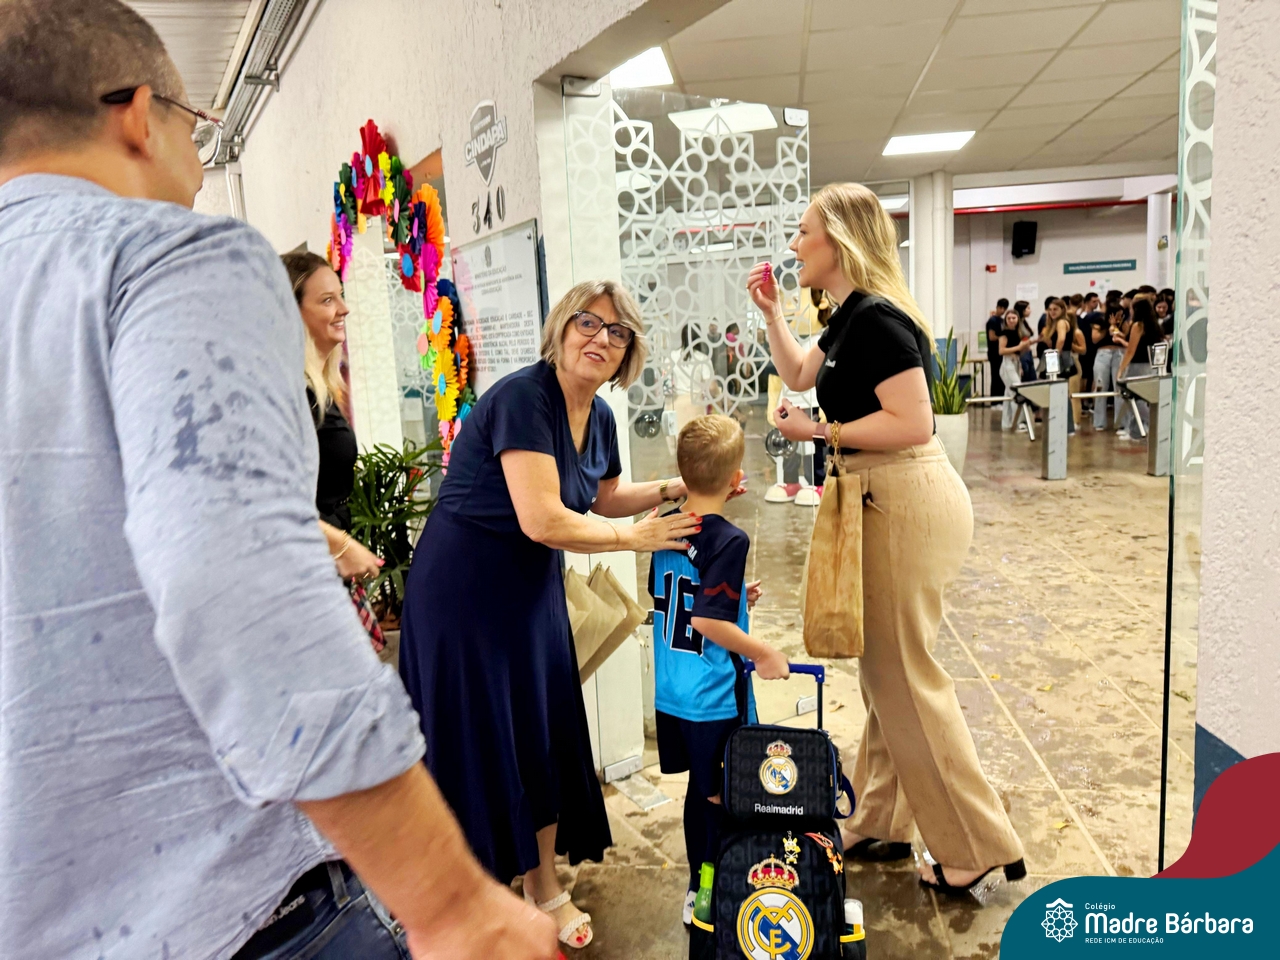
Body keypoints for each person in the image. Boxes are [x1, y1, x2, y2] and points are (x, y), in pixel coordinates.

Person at [0, 3, 559, 959]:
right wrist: (449, 903)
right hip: (229, 909)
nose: (198, 161)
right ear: (136, 114)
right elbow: (233, 584)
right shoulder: (162, 255)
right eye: (193, 123)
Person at [397, 280, 707, 950]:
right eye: (587, 323)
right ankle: (471, 897)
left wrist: (685, 485)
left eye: (617, 332)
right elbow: (542, 518)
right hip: (463, 593)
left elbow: (606, 497)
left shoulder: (600, 416)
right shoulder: (523, 398)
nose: (600, 338)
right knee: (480, 742)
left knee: (542, 732)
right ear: (561, 329)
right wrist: (633, 540)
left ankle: (543, 884)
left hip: (529, 590)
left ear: (628, 352)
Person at [746, 182, 1024, 894]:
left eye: (804, 231)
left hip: (901, 497)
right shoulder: (847, 318)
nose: (794, 244)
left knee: (903, 675)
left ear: (839, 240)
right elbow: (798, 371)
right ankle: (878, 819)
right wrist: (773, 314)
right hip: (876, 495)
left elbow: (914, 422)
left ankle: (974, 845)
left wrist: (819, 431)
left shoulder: (878, 318)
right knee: (883, 673)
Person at [649, 414, 785, 925]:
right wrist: (762, 651)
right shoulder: (729, 540)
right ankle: (710, 893)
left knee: (697, 790)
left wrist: (735, 599)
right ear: (736, 479)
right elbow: (707, 620)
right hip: (712, 699)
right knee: (718, 797)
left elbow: (676, 597)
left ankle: (697, 886)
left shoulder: (665, 526)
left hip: (673, 693)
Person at [282, 251, 383, 584]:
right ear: (290, 312)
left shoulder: (319, 387)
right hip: (300, 576)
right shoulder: (291, 393)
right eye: (327, 300)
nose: (344, 308)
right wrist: (340, 547)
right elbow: (274, 500)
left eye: (341, 296)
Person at [1118, 297, 1163, 440]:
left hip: (1137, 365)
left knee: (1132, 396)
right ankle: (1135, 431)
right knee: (1141, 397)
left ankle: (1156, 422)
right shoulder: (1154, 326)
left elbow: (1131, 350)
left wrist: (1121, 369)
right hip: (1150, 365)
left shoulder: (1138, 326)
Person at [1091, 301, 1127, 431]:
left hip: (1119, 353)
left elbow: (1126, 337)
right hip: (1103, 353)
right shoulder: (1099, 321)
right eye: (1117, 315)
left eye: (1121, 315)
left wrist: (1116, 328)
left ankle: (1120, 423)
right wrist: (1108, 327)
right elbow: (1095, 339)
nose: (1119, 317)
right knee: (1101, 386)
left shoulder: (1124, 323)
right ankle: (1099, 422)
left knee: (1119, 387)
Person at [998, 309, 1030, 431]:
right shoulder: (1004, 333)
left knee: (1008, 394)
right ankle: (1019, 422)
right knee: (1018, 392)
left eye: (1014, 318)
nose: (1011, 320)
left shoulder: (1018, 333)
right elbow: (1001, 350)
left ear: (1018, 319)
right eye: (1009, 318)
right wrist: (1019, 347)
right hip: (1007, 365)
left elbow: (1019, 351)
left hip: (1016, 363)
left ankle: (1007, 423)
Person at [984, 297, 1009, 398]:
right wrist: (1002, 338)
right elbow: (992, 337)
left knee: (1001, 377)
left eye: (1004, 309)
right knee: (996, 377)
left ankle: (1001, 397)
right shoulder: (993, 321)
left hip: (1001, 353)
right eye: (1000, 308)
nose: (1002, 311)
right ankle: (995, 399)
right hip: (994, 353)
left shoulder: (1002, 321)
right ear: (997, 307)